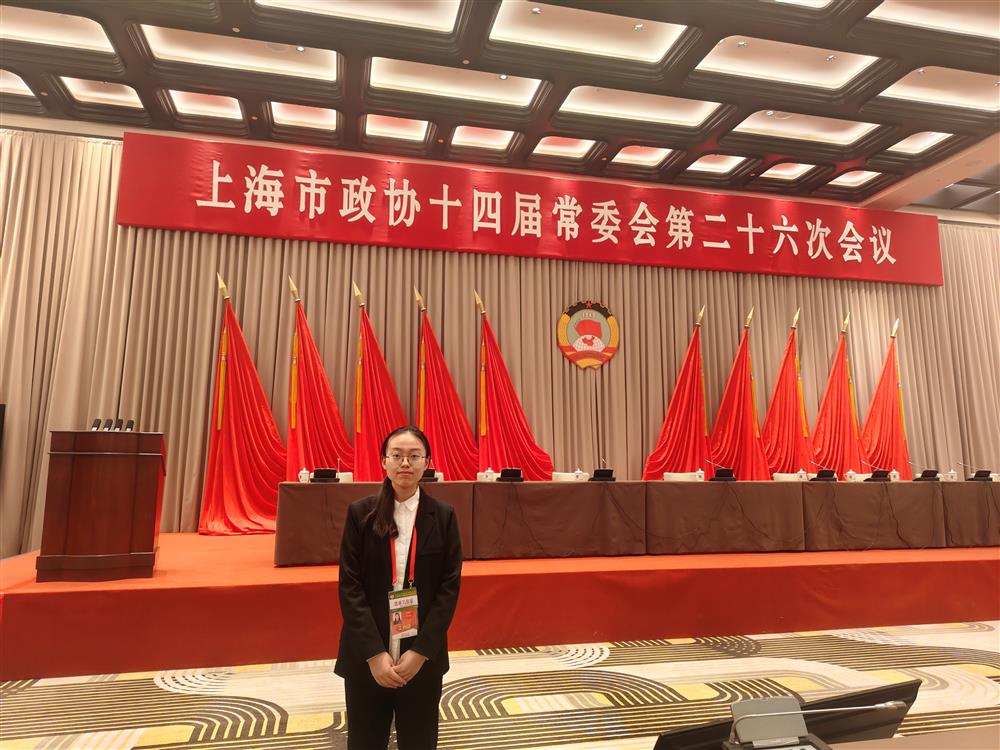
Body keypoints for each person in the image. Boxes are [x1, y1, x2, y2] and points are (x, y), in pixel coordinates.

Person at [335, 425, 463, 749]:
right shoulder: (361, 514)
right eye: (397, 455)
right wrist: (374, 655)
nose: (405, 463)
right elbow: (350, 587)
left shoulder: (444, 516)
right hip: (367, 657)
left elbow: (448, 589)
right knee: (365, 741)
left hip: (421, 660)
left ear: (427, 462)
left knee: (419, 741)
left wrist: (420, 653)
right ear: (384, 461)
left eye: (414, 456)